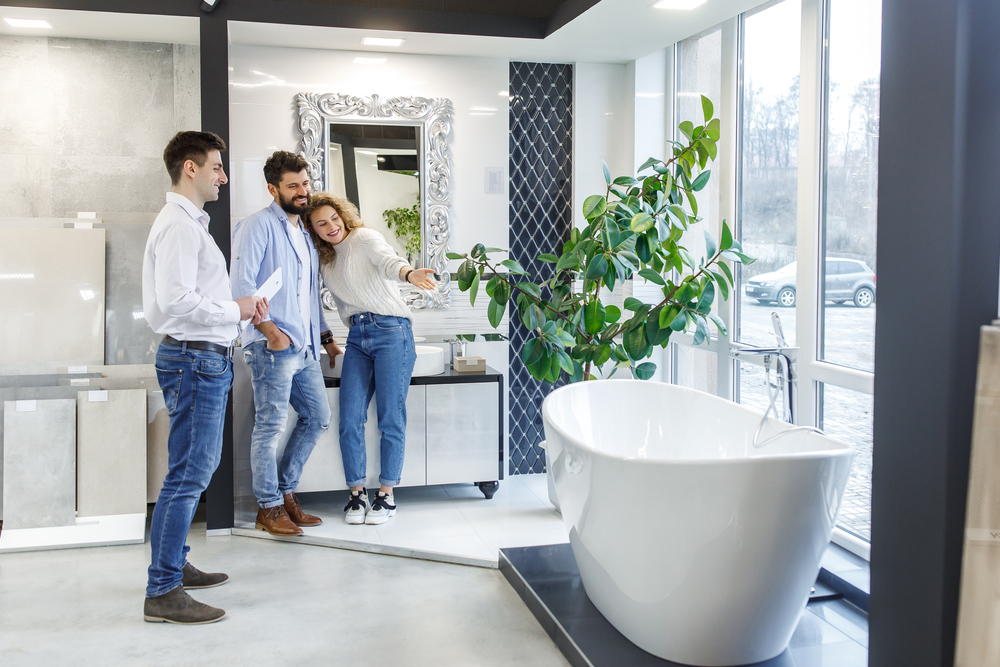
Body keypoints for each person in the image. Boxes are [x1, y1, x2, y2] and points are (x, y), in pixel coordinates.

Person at [142, 131, 268, 624]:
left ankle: (172, 564)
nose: (224, 176)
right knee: (189, 473)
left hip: (200, 356)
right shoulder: (179, 225)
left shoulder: (187, 222)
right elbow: (174, 301)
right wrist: (232, 309)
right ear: (190, 169)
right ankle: (163, 590)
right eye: (217, 166)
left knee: (191, 469)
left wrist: (235, 314)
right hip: (195, 358)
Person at [306, 193, 436, 525]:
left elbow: (389, 261)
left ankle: (387, 496)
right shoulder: (324, 259)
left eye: (334, 218)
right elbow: (311, 301)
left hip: (391, 329)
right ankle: (357, 495)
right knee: (349, 419)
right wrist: (328, 341)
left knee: (391, 417)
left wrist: (409, 275)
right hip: (357, 338)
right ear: (313, 229)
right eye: (321, 223)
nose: (331, 226)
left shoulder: (364, 238)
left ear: (343, 215)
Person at [231, 151, 342, 537]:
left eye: (305, 183)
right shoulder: (257, 226)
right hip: (272, 346)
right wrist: (271, 332)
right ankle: (269, 507)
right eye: (293, 185)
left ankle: (284, 491)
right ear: (273, 189)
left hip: (306, 346)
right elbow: (242, 286)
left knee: (318, 417)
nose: (302, 191)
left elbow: (309, 294)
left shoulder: (303, 234)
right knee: (271, 426)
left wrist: (325, 338)